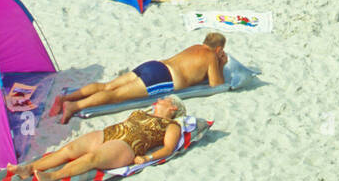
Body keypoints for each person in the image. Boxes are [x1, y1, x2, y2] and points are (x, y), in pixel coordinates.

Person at [51, 36, 228, 123]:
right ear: (218, 49)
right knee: (115, 95)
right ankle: (74, 106)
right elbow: (216, 84)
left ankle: (66, 98)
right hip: (163, 78)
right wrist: (220, 63)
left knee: (108, 86)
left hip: (153, 65)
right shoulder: (211, 57)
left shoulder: (196, 47)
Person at [10, 98, 186, 181]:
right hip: (110, 132)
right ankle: (29, 168)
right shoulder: (145, 111)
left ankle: (53, 176)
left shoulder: (171, 125)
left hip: (128, 144)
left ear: (173, 107)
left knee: (91, 158)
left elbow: (168, 149)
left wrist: (147, 158)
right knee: (69, 149)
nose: (159, 100)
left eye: (164, 99)